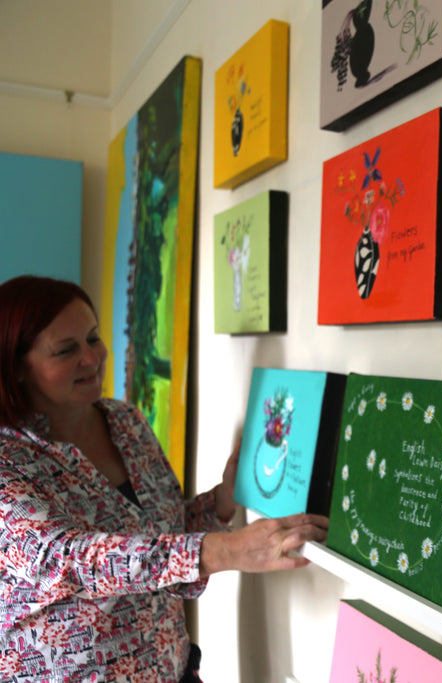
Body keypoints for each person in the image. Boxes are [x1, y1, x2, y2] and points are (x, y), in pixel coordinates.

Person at [0, 275, 329, 682]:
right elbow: (73, 560)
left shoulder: (126, 422)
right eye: (67, 350)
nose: (92, 358)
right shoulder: (8, 460)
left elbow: (162, 534)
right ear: (15, 367)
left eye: (93, 338)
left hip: (173, 670)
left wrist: (223, 499)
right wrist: (226, 551)